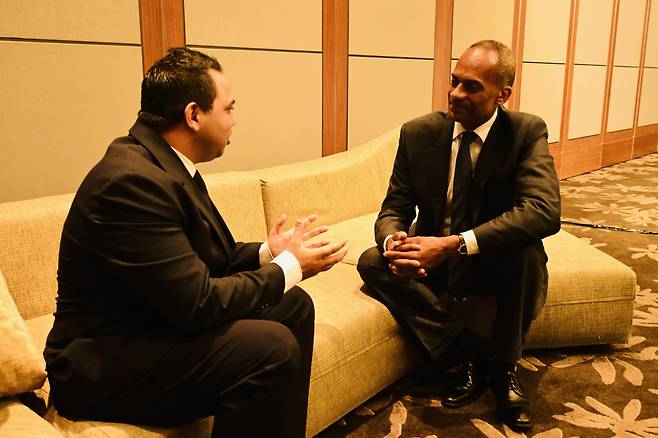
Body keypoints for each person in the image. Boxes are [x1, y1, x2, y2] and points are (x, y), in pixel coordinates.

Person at [44, 47, 347, 438]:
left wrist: (271, 252)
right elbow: (197, 303)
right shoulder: (132, 182)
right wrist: (291, 266)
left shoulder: (166, 165)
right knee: (268, 348)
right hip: (103, 361)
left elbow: (207, 259)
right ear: (193, 115)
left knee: (293, 306)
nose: (235, 120)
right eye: (229, 108)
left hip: (150, 323)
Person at [357, 40, 560, 430]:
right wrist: (394, 239)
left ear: (503, 95)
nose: (455, 93)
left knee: (529, 253)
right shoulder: (418, 133)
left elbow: (544, 211)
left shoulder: (525, 132)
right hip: (432, 258)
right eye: (454, 82)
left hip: (488, 257)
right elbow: (395, 207)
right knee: (372, 260)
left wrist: (455, 244)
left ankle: (502, 369)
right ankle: (460, 353)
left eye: (471, 87)